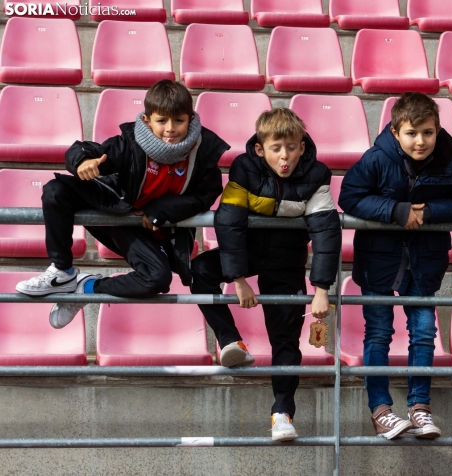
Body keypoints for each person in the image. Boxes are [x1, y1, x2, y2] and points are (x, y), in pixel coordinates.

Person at [16, 80, 227, 329]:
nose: (171, 129)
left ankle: (87, 287)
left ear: (191, 119)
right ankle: (62, 271)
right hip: (119, 213)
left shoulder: (204, 150)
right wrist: (83, 161)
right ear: (148, 121)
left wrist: (161, 209)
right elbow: (87, 150)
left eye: (179, 121)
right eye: (162, 121)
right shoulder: (130, 143)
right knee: (56, 190)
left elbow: (206, 195)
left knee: (157, 279)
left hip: (153, 230)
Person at [190, 108, 341, 442]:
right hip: (250, 254)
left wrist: (321, 289)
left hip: (287, 263)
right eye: (276, 148)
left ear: (302, 147)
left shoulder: (316, 175)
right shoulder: (243, 169)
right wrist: (238, 279)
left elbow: (327, 233)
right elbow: (228, 222)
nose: (284, 156)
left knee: (285, 339)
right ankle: (231, 340)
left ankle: (282, 412)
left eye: (291, 147)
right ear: (260, 149)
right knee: (200, 269)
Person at [339, 92, 452, 440]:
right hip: (378, 258)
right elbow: (350, 196)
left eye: (428, 133)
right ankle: (381, 410)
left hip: (425, 259)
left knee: (422, 332)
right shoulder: (376, 158)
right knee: (379, 332)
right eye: (412, 133)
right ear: (396, 130)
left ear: (438, 130)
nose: (421, 141)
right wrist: (396, 211)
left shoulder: (450, 159)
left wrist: (429, 212)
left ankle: (420, 407)